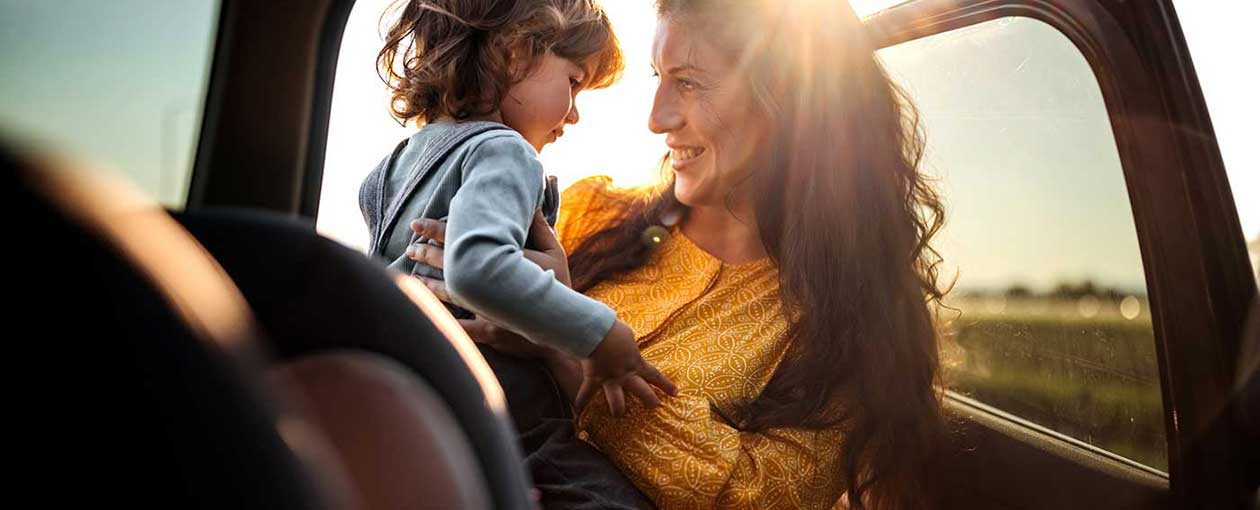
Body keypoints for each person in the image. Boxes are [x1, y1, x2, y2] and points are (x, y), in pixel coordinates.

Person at [409, 0, 949, 508]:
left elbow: (759, 496)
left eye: (688, 82)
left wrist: (563, 344)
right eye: (658, 78)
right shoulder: (587, 213)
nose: (657, 117)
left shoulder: (851, 323)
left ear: (791, 101)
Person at [360, 0, 676, 417]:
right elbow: (478, 267)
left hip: (417, 395)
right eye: (574, 82)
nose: (575, 114)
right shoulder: (505, 151)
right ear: (516, 53)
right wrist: (601, 333)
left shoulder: (393, 166)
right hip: (503, 414)